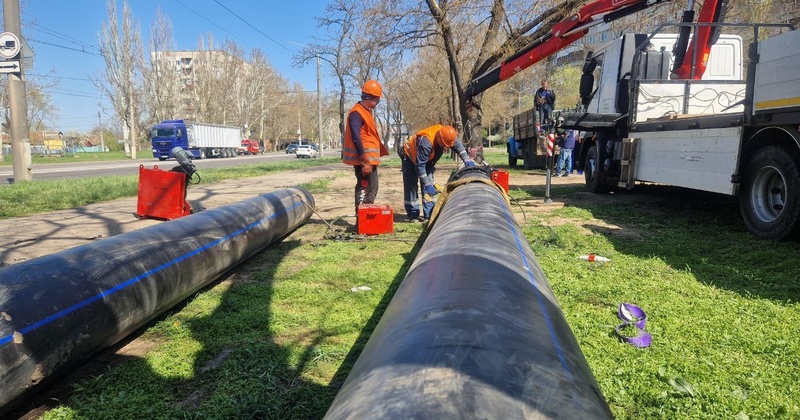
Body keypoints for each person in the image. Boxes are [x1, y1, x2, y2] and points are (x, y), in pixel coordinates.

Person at [401, 124, 475, 221]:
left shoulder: (447, 134)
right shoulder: (426, 142)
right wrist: (427, 184)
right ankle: (413, 215)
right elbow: (420, 166)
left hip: (426, 160)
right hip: (410, 156)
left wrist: (466, 159)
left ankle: (429, 215)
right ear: (439, 138)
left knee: (429, 183)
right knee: (412, 186)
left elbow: (458, 146)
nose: (445, 147)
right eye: (444, 145)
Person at [342, 79, 389, 213]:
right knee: (366, 187)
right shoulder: (357, 113)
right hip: (364, 161)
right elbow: (356, 137)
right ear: (371, 98)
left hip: (368, 160)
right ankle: (362, 218)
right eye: (378, 99)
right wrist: (364, 161)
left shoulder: (365, 112)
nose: (378, 102)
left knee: (370, 187)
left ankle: (363, 217)